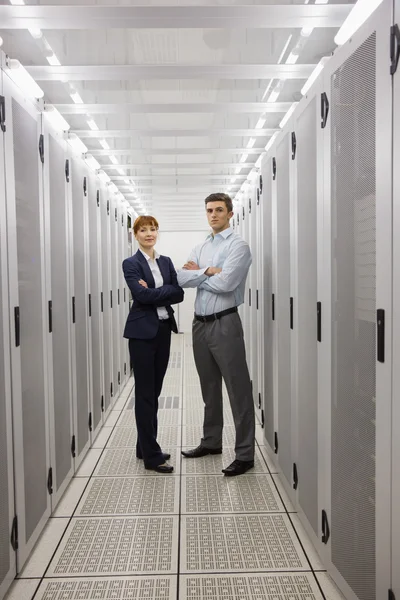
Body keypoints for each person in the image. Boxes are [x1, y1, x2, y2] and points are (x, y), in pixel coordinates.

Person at [177, 193, 255, 476]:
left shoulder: (239, 246)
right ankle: (211, 442)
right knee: (209, 387)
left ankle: (245, 454)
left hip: (225, 323)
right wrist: (208, 271)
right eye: (209, 210)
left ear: (230, 213)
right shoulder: (201, 246)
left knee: (238, 389)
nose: (213, 215)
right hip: (200, 325)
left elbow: (227, 284)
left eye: (219, 210)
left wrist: (199, 274)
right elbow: (180, 277)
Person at [122, 215, 184, 474]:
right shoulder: (131, 263)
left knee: (154, 391)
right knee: (145, 393)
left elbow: (178, 293)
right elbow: (141, 295)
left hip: (162, 330)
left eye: (153, 229)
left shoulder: (166, 261)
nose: (149, 233)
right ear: (135, 234)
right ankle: (151, 456)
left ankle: (144, 446)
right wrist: (163, 291)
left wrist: (155, 292)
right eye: (143, 230)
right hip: (141, 334)